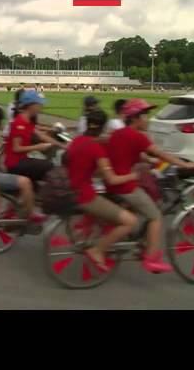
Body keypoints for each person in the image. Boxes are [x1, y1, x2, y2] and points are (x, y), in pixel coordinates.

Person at [107, 99, 194, 273]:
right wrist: (184, 165)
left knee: (149, 198)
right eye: (145, 115)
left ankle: (138, 241)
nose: (147, 119)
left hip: (114, 182)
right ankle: (151, 258)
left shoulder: (119, 133)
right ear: (135, 118)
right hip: (126, 186)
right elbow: (160, 153)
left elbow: (129, 154)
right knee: (156, 216)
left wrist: (150, 160)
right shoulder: (137, 136)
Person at [66, 109, 139, 271]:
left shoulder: (77, 141)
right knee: (130, 221)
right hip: (85, 195)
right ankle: (97, 251)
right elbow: (112, 179)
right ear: (103, 127)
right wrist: (133, 176)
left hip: (72, 188)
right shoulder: (96, 148)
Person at [4, 90, 64, 184]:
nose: (41, 107)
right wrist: (38, 147)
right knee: (51, 167)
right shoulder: (20, 122)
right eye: (39, 105)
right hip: (15, 164)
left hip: (22, 161)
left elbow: (42, 136)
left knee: (47, 169)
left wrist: (63, 145)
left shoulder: (27, 121)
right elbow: (16, 148)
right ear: (31, 105)